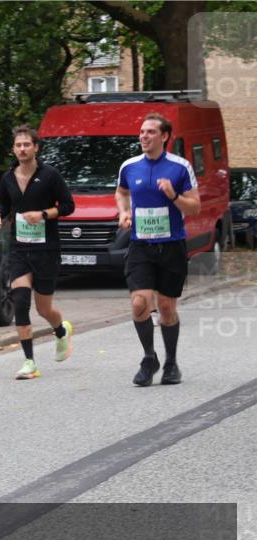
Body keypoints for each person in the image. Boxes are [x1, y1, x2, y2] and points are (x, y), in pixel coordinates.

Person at [115, 112, 200, 386]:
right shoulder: (129, 166)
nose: (144, 136)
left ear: (164, 136)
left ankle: (171, 362)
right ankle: (149, 358)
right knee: (139, 303)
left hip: (172, 245)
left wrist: (173, 195)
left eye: (150, 132)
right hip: (140, 245)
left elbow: (195, 207)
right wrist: (124, 213)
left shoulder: (180, 167)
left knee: (165, 307)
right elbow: (121, 192)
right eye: (141, 132)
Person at [0, 124, 75, 379]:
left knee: (44, 309)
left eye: (27, 144)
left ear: (36, 147)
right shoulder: (7, 177)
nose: (23, 149)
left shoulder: (50, 175)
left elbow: (69, 205)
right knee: (21, 302)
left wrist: (44, 214)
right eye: (18, 145)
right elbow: (4, 203)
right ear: (13, 149)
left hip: (46, 249)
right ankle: (29, 362)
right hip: (19, 248)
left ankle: (61, 330)